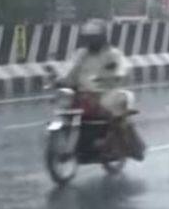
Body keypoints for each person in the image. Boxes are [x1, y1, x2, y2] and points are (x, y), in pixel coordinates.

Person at [61, 18, 144, 160]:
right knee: (65, 108)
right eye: (88, 38)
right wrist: (61, 80)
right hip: (83, 94)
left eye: (94, 37)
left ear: (102, 37)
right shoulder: (80, 54)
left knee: (114, 113)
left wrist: (116, 75)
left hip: (105, 92)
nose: (91, 41)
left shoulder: (113, 53)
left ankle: (125, 145)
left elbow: (123, 68)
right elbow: (69, 69)